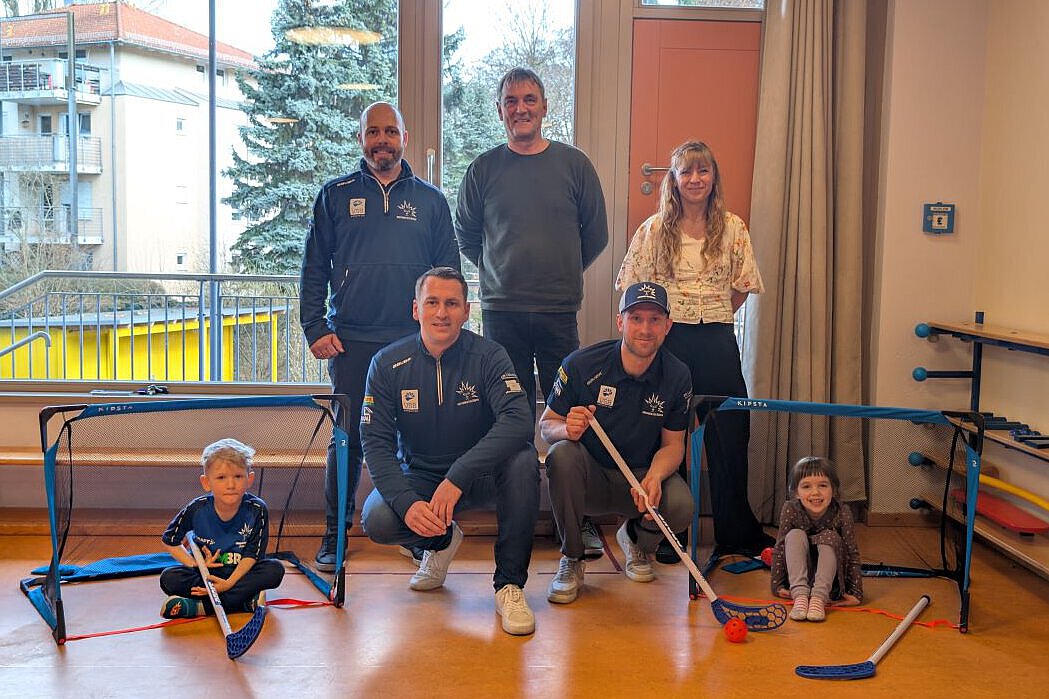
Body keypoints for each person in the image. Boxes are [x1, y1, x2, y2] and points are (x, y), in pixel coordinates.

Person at [300, 101, 461, 571]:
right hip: (350, 341)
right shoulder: (334, 195)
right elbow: (314, 267)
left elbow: (447, 273)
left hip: (414, 341)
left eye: (391, 131)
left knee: (415, 442)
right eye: (373, 132)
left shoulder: (431, 200)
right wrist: (315, 327)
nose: (382, 140)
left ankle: (418, 532)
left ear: (404, 139)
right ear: (361, 140)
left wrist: (443, 327)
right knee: (347, 439)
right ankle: (335, 534)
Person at [455, 66, 609, 557]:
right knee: (511, 416)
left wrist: (560, 271)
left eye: (528, 99)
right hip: (501, 313)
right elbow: (468, 236)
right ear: (500, 110)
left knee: (571, 414)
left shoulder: (575, 165)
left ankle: (578, 522)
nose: (520, 108)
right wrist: (502, 271)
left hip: (559, 311)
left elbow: (596, 235)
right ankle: (515, 518)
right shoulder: (483, 169)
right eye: (511, 101)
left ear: (544, 107)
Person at [359, 267, 540, 636]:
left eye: (452, 304)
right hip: (422, 476)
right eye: (432, 302)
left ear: (466, 311)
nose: (442, 313)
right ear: (416, 309)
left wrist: (459, 475)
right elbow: (375, 442)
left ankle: (509, 585)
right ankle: (441, 542)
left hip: (481, 474)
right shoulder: (387, 363)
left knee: (523, 461)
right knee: (378, 518)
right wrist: (407, 502)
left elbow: (519, 420)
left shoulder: (489, 355)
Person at [616, 139, 771, 562]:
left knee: (730, 432)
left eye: (703, 171)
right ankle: (669, 531)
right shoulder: (653, 230)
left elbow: (742, 286)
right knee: (668, 434)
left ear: (714, 178)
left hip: (717, 339)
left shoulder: (733, 227)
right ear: (674, 179)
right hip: (671, 341)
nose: (695, 179)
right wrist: (662, 325)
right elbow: (632, 287)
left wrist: (714, 314)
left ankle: (736, 532)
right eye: (686, 171)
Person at [540, 282, 694, 604]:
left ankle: (635, 539)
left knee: (681, 506)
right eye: (636, 318)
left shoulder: (678, 375)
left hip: (638, 482)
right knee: (562, 454)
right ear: (620, 321)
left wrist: (655, 477)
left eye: (655, 320)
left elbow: (673, 445)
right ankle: (572, 557)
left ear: (668, 326)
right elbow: (546, 426)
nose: (645, 329)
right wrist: (567, 429)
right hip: (590, 480)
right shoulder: (581, 365)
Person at [159, 439, 284, 618]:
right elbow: (170, 540)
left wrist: (228, 584)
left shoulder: (257, 509)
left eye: (238, 476)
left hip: (241, 574)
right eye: (221, 478)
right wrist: (195, 563)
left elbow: (252, 555)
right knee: (169, 578)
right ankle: (243, 602)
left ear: (249, 479)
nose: (231, 485)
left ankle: (201, 607)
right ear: (206, 482)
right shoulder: (197, 508)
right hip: (207, 575)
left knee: (274, 570)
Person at [769, 457, 863, 622]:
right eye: (806, 486)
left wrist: (856, 592)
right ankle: (800, 597)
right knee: (794, 535)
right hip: (799, 580)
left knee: (829, 536)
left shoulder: (842, 511)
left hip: (829, 583)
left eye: (823, 486)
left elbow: (852, 553)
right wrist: (777, 585)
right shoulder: (790, 509)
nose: (815, 493)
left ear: (833, 490)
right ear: (796, 492)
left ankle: (818, 599)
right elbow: (780, 547)